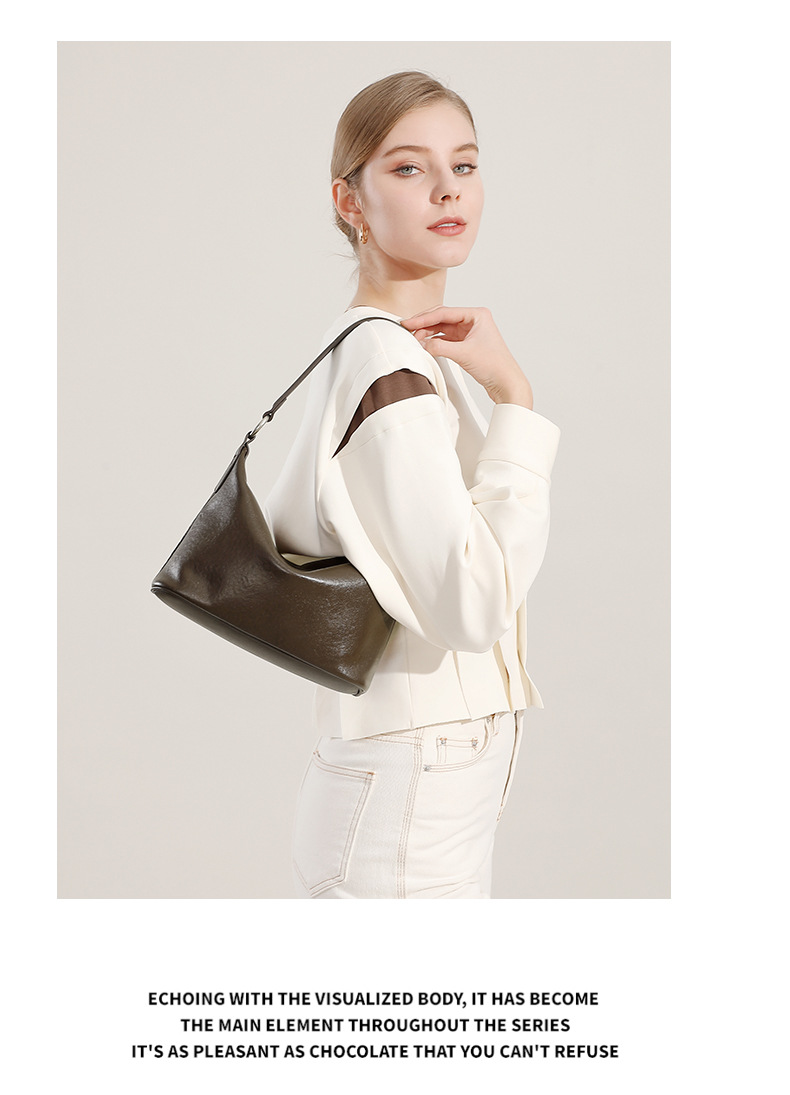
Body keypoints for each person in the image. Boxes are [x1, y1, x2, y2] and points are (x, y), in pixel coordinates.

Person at [263, 71, 560, 899]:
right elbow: (470, 605)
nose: (446, 189)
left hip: (418, 774)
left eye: (463, 165)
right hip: (412, 783)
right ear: (348, 200)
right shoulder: (385, 365)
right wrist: (517, 401)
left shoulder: (400, 352)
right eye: (407, 168)